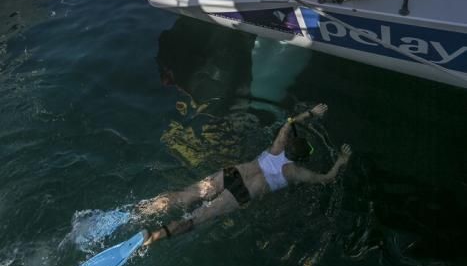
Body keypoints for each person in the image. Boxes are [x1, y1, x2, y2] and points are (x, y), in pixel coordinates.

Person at [136, 104, 352, 245]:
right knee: (197, 218)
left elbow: (290, 122)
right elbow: (327, 178)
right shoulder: (296, 172)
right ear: (302, 158)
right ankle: (154, 237)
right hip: (243, 194)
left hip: (233, 173)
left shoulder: (277, 146)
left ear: (289, 145)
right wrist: (341, 161)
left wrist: (312, 113)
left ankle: (139, 212)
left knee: (185, 195)